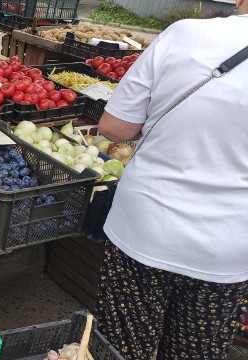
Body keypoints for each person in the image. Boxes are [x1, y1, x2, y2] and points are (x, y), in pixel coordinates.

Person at [95, 0, 248, 358]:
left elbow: (114, 127)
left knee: (122, 348)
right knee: (193, 351)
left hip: (145, 227)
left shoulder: (185, 34)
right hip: (228, 247)